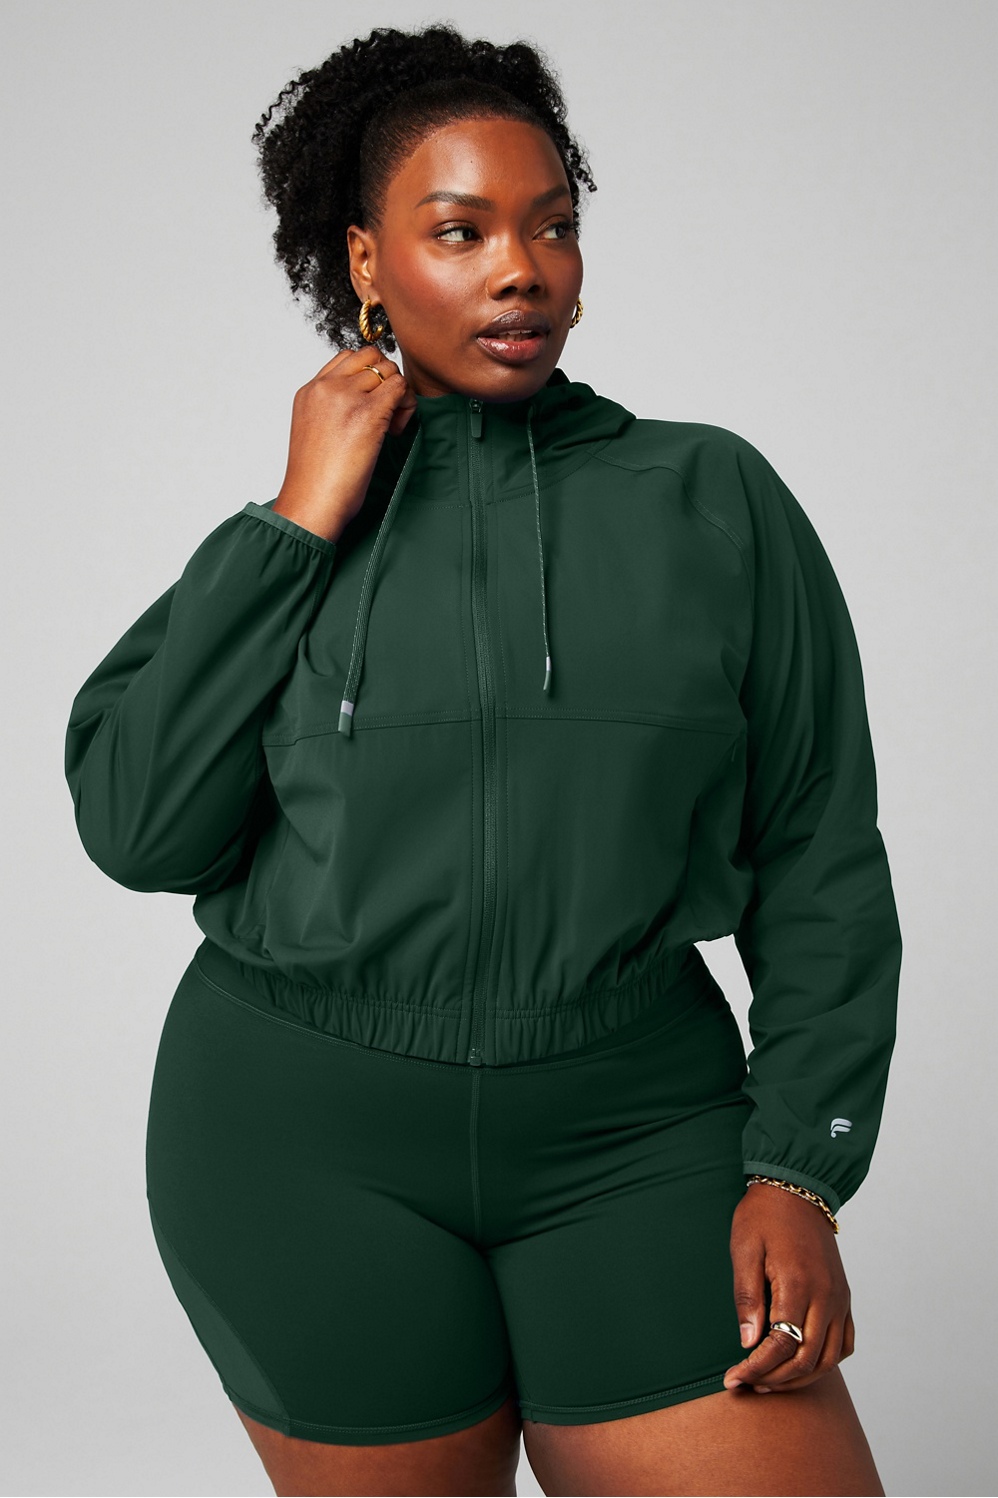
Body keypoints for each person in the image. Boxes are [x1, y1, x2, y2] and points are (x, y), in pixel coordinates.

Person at [64, 22, 903, 1498]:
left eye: (552, 227)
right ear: (367, 260)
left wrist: (799, 1165)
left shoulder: (710, 497)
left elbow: (818, 846)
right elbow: (139, 828)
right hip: (301, 1143)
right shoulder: (293, 536)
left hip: (637, 1128)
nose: (522, 270)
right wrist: (296, 519)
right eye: (460, 231)